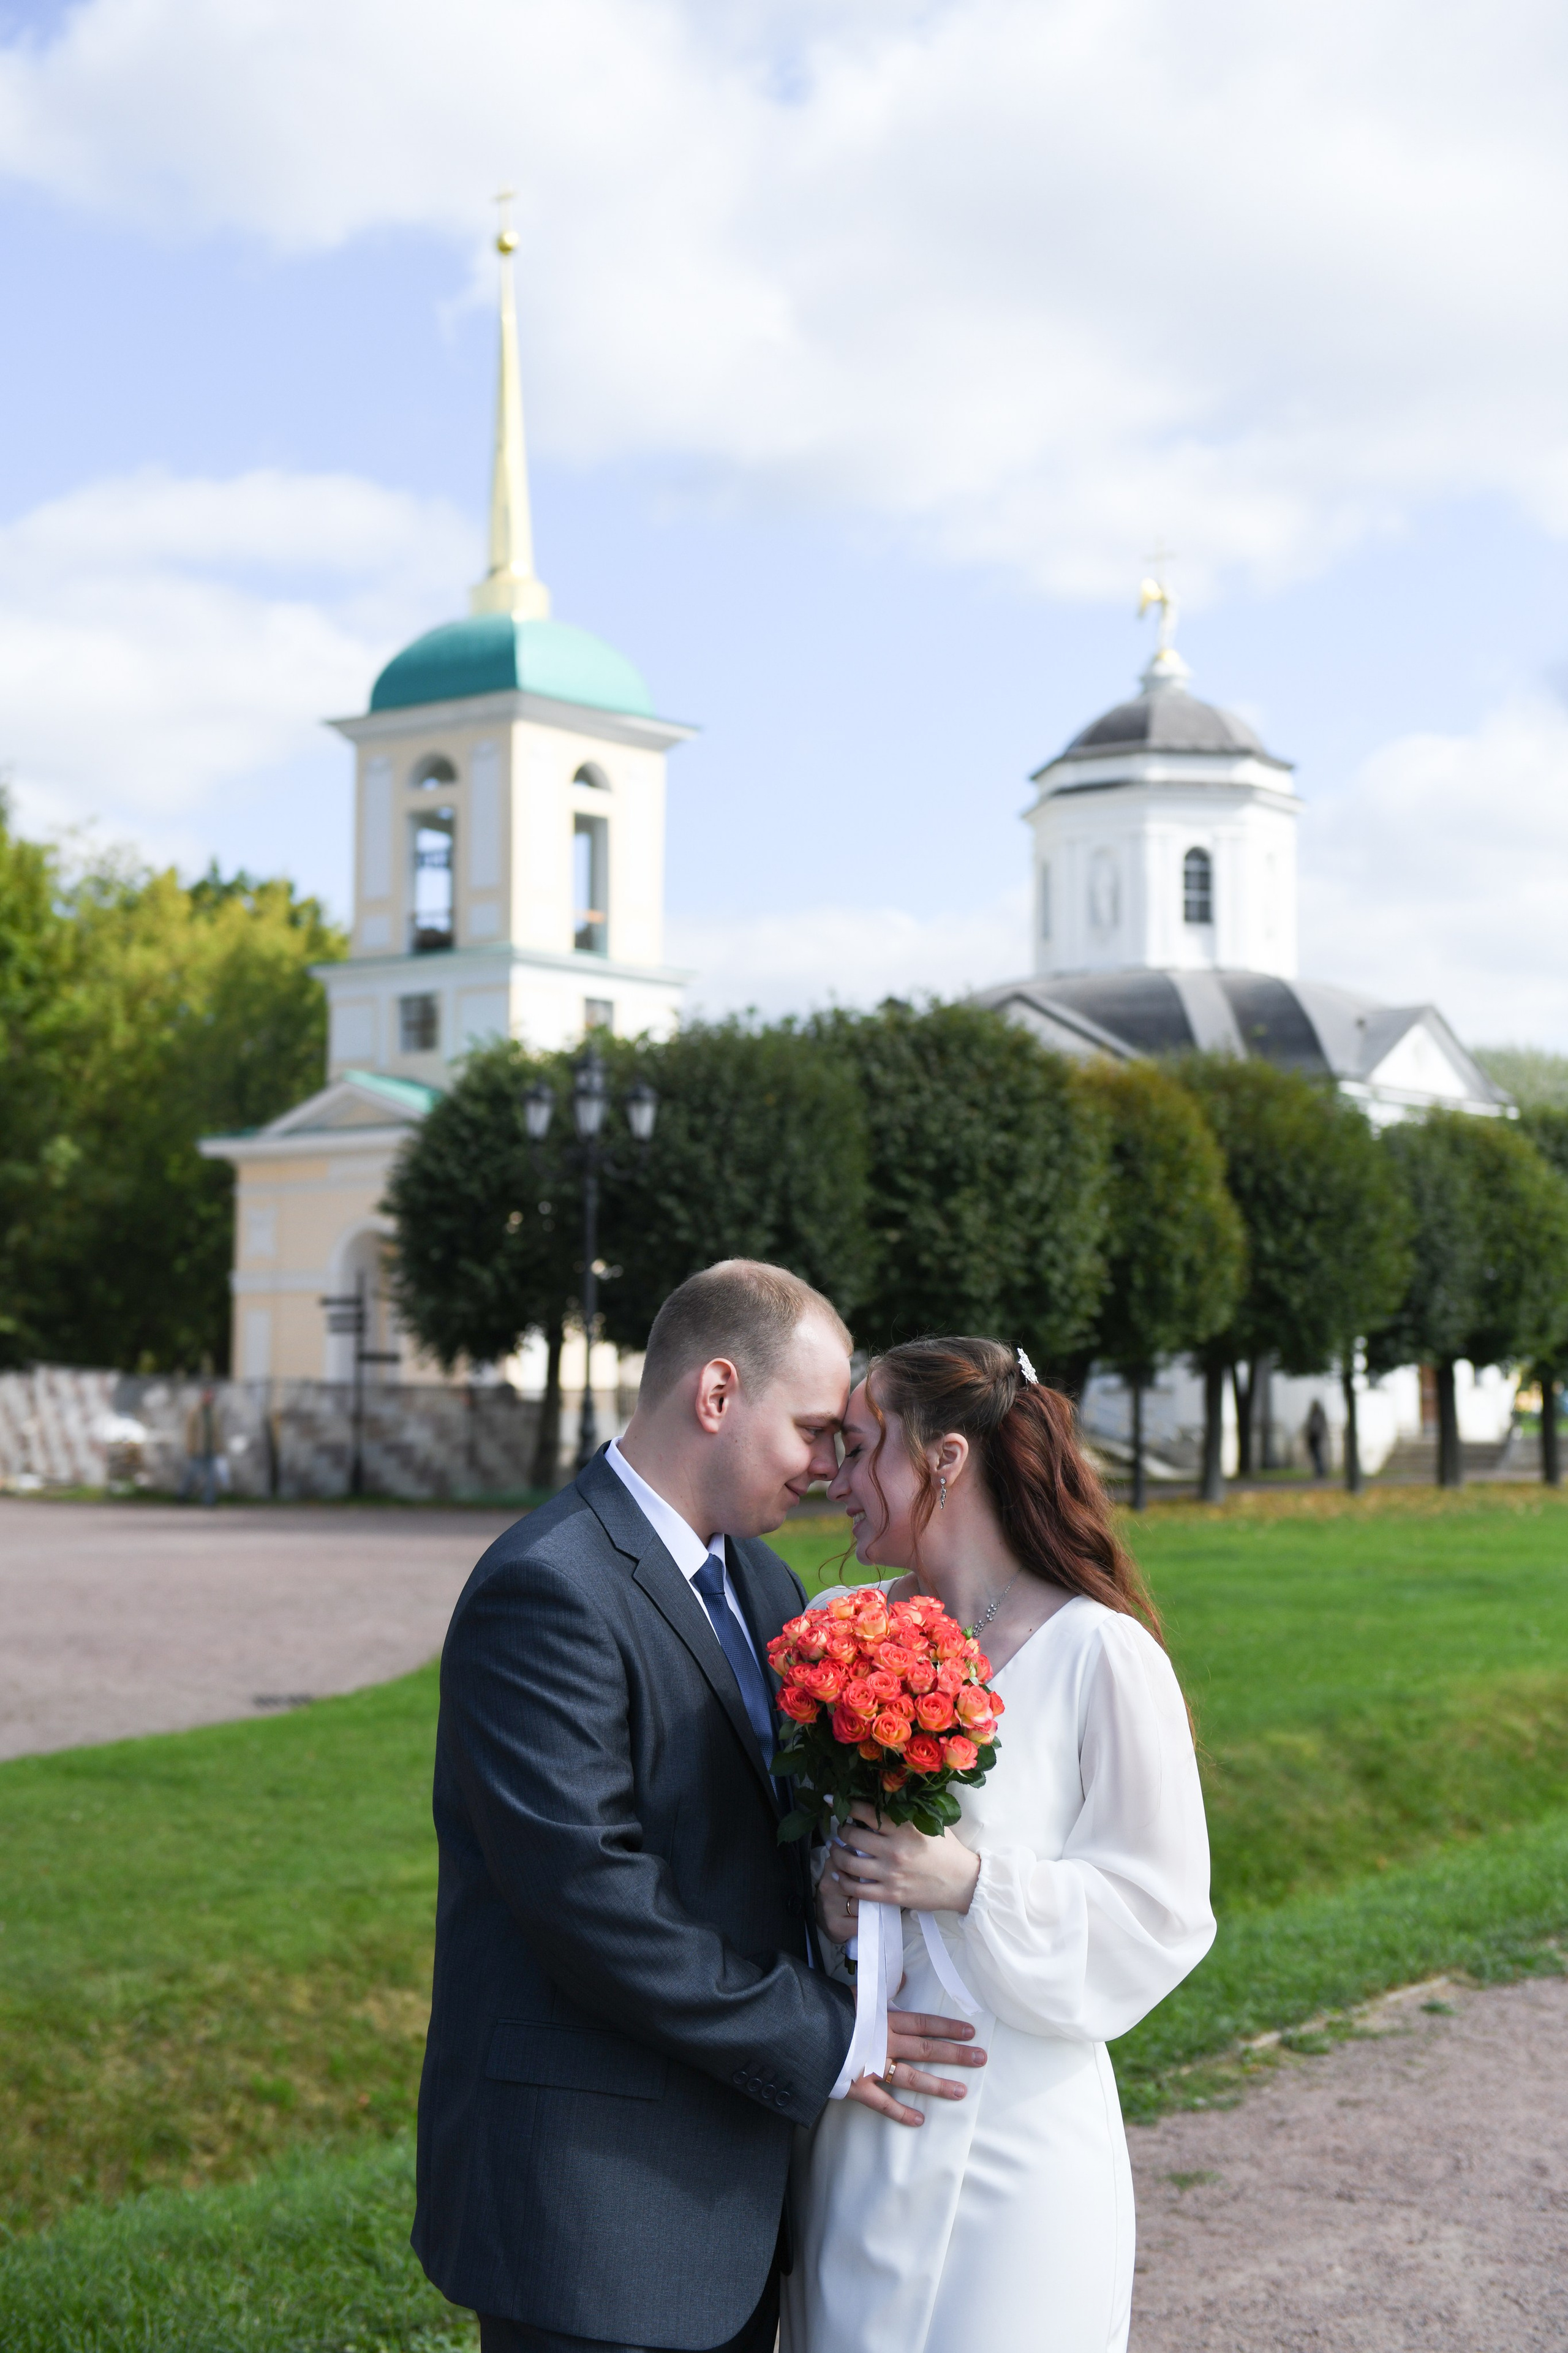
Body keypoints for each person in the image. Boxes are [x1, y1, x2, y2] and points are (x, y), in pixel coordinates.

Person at [413, 1261, 984, 2353]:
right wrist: (830, 2042)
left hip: (732, 2191)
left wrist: (835, 1897)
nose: (829, 1469)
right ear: (717, 1395)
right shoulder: (549, 1587)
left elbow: (753, 1836)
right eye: (816, 1431)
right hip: (592, 2203)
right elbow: (590, 1898)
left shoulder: (763, 1586)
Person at [783, 1337, 1215, 2353]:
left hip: (1023, 2129)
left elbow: (1163, 1911)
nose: (835, 1481)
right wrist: (828, 1899)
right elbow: (780, 1855)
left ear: (943, 1457)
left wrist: (966, 1881)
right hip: (866, 2117)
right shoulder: (830, 1631)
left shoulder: (1100, 1653)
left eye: (859, 1447)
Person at [179, 1384, 223, 1506]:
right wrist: (190, 1445)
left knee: (211, 1477)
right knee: (192, 1473)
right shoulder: (195, 1411)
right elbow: (189, 1430)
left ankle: (209, 1501)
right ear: (203, 1396)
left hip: (210, 1449)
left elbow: (217, 1432)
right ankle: (182, 1495)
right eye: (208, 1395)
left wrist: (219, 1446)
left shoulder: (214, 1412)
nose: (210, 1398)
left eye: (211, 1396)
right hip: (198, 1449)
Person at [1305, 1396, 1329, 1479]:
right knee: (1315, 1455)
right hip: (1312, 1437)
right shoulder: (1313, 1414)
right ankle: (1319, 1471)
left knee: (1318, 1455)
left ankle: (1321, 1471)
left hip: (1317, 1436)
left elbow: (1320, 1425)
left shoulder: (1319, 1414)